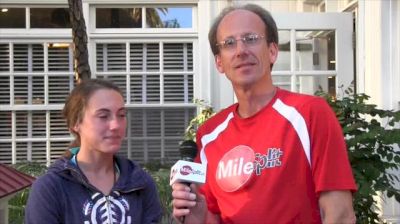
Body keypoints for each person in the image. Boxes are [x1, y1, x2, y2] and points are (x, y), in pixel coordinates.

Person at [171, 4, 357, 224]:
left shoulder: (310, 114)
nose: (241, 50)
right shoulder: (209, 135)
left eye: (251, 38)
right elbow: (215, 217)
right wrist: (198, 216)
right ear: (219, 62)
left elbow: (340, 215)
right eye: (229, 43)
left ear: (272, 51)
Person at [25, 79, 162, 223]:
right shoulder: (51, 188)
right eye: (103, 116)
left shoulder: (140, 182)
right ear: (76, 123)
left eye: (121, 115)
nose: (116, 125)